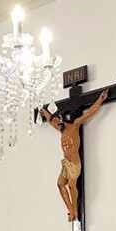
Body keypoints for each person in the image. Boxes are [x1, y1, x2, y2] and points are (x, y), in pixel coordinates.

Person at [40, 89, 109, 221]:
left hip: (74, 162)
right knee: (60, 184)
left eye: (57, 121)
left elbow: (89, 113)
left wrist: (100, 100)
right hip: (66, 163)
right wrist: (44, 112)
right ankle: (70, 209)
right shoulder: (61, 130)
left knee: (72, 184)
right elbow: (50, 120)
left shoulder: (74, 126)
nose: (56, 124)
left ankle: (75, 210)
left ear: (62, 119)